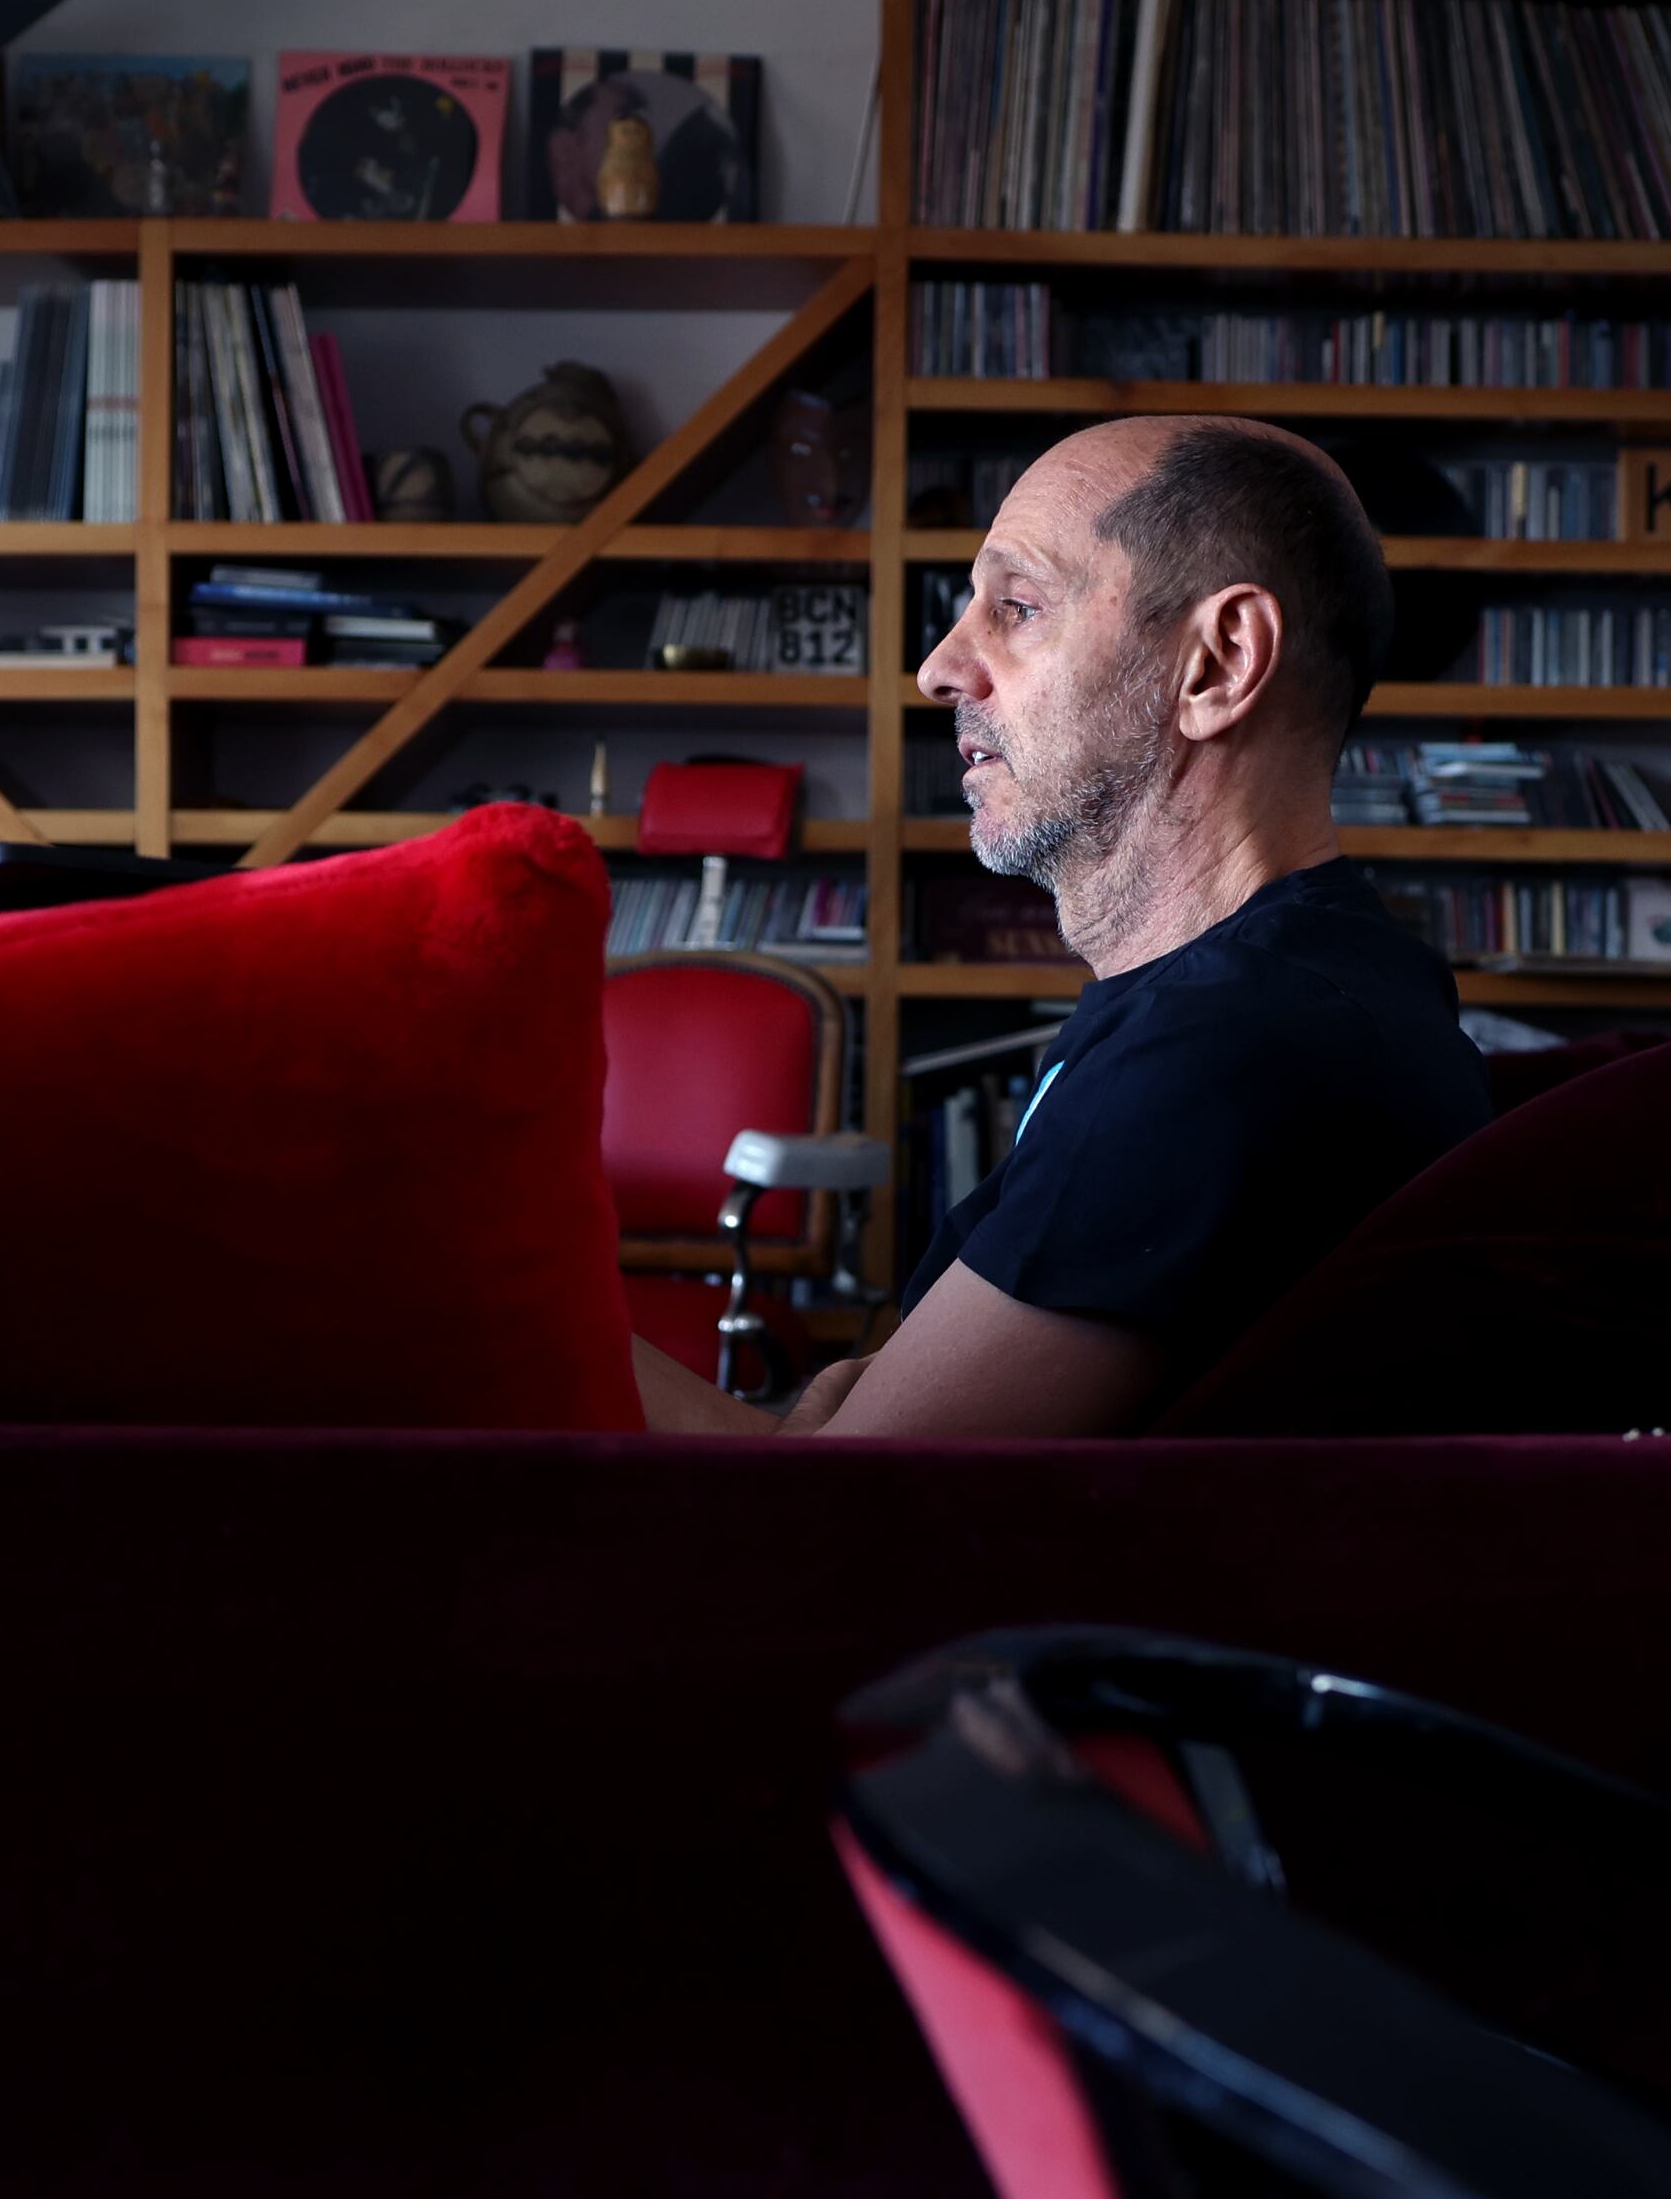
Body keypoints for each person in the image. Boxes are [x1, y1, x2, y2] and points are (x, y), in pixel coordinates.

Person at [627, 414, 1487, 1439]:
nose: (940, 670)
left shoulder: (1232, 1055)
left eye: (1017, 606)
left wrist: (475, 1275)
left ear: (1215, 664)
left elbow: (834, 1532)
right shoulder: (1295, 989)